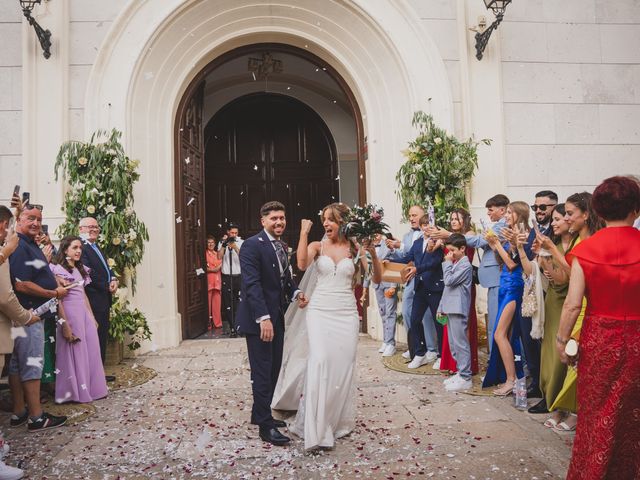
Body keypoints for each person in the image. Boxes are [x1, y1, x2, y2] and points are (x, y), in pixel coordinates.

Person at [556, 176, 640, 480]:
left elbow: (572, 305)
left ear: (599, 211)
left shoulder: (587, 251)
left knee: (596, 413)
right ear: (636, 210)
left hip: (600, 340)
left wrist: (561, 340)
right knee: (634, 416)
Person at [286, 202, 382, 451]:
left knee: (342, 367)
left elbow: (377, 278)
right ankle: (317, 430)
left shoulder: (355, 248)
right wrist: (304, 233)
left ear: (344, 222)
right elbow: (301, 264)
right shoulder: (318, 246)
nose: (326, 224)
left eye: (331, 220)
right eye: (324, 220)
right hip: (319, 311)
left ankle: (332, 419)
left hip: (346, 314)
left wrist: (372, 252)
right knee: (320, 360)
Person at [235, 202, 308, 446]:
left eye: (282, 218)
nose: (279, 222)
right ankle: (266, 427)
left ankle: (260, 414)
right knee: (262, 372)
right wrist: (263, 318)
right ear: (263, 221)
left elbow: (285, 278)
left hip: (277, 318)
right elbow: (252, 284)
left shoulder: (281, 246)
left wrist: (297, 292)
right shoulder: (251, 245)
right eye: (274, 218)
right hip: (260, 320)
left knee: (274, 369)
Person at [8, 205, 67, 431]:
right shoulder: (21, 246)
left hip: (21, 315)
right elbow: (21, 283)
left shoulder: (29, 244)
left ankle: (19, 412)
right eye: (30, 218)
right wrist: (54, 293)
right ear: (19, 220)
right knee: (31, 363)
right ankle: (36, 417)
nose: (35, 223)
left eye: (39, 220)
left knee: (16, 364)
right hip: (30, 315)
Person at [547, 191, 603, 431]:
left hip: (584, 307)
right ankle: (567, 409)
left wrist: (551, 247)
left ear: (587, 214)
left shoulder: (590, 241)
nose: (566, 218)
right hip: (575, 303)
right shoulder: (581, 238)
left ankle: (571, 411)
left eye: (570, 213)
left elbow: (573, 273)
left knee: (575, 362)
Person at [524, 204, 575, 418]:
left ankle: (558, 399)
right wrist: (542, 255)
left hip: (569, 302)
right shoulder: (553, 243)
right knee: (549, 350)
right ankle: (549, 396)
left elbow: (564, 278)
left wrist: (549, 255)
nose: (553, 223)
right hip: (553, 300)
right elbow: (549, 275)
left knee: (562, 352)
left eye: (558, 219)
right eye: (552, 219)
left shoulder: (575, 245)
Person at [50, 236, 108, 403]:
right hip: (69, 313)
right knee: (74, 352)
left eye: (80, 248)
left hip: (83, 313)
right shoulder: (57, 269)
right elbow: (58, 299)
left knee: (91, 350)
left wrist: (91, 317)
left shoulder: (80, 268)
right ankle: (73, 392)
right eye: (74, 247)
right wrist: (65, 324)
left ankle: (93, 389)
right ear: (65, 249)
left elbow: (83, 295)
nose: (78, 251)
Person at [0, 205, 34, 479]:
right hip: (12, 324)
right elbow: (6, 295)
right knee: (22, 367)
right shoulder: (7, 252)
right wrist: (26, 317)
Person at [482, 201, 529, 395]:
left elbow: (511, 264)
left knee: (499, 334)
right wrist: (496, 244)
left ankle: (512, 380)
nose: (507, 215)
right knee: (507, 335)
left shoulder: (522, 235)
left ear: (520, 215)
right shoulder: (509, 234)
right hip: (505, 284)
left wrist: (495, 245)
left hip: (514, 287)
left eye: (510, 212)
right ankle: (512, 378)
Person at [430, 208, 479, 374]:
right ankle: (454, 365)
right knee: (451, 335)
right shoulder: (449, 240)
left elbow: (468, 244)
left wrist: (447, 235)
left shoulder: (469, 235)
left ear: (464, 220)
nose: (453, 221)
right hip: (450, 290)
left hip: (463, 285)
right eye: (451, 218)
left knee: (462, 332)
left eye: (456, 219)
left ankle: (465, 369)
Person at [392, 214, 445, 369]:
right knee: (414, 320)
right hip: (420, 288)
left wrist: (417, 269)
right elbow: (407, 258)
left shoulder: (439, 243)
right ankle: (420, 353)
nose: (427, 226)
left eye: (430, 223)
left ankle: (441, 355)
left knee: (439, 323)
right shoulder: (417, 242)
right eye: (424, 224)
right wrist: (389, 260)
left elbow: (434, 263)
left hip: (435, 288)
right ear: (421, 227)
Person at [385, 206, 437, 361]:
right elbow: (406, 255)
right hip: (410, 278)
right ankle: (414, 346)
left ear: (423, 216)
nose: (412, 218)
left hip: (426, 276)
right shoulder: (407, 235)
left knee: (427, 315)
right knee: (408, 313)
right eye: (410, 215)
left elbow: (416, 251)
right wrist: (393, 254)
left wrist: (399, 245)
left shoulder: (431, 232)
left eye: (415, 215)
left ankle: (432, 348)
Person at [464, 194, 509, 354]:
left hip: (497, 279)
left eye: (491, 210)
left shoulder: (501, 226)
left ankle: (494, 363)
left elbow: (478, 242)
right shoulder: (499, 225)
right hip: (493, 279)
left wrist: (451, 236)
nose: (488, 214)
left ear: (502, 210)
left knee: (495, 325)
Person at [79, 217, 118, 383]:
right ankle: (93, 376)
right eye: (90, 227)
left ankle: (99, 372)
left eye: (96, 226)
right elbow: (87, 272)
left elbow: (105, 267)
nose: (94, 229)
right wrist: (106, 285)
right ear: (80, 229)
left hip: (103, 297)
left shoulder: (94, 246)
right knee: (94, 338)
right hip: (93, 298)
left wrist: (114, 277)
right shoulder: (81, 247)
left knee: (101, 336)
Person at [438, 234, 473, 392]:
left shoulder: (465, 265)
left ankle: (466, 376)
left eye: (452, 250)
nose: (449, 254)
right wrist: (441, 307)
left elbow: (449, 281)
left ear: (462, 249)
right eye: (448, 251)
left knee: (460, 343)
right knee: (453, 344)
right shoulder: (455, 262)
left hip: (458, 308)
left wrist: (446, 264)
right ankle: (460, 372)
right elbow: (448, 288)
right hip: (450, 307)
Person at [362, 233, 397, 357]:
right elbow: (369, 269)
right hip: (377, 284)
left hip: (388, 283)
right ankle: (386, 341)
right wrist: (365, 287)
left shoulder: (387, 245)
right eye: (374, 233)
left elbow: (393, 264)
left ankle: (391, 343)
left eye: (377, 233)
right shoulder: (368, 247)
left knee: (390, 312)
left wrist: (393, 286)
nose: (375, 235)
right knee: (383, 313)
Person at [218, 223, 243, 336]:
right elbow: (219, 256)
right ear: (228, 232)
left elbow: (244, 256)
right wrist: (224, 245)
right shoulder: (222, 242)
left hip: (238, 276)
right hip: (227, 277)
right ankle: (232, 327)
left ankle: (240, 325)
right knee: (228, 303)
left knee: (240, 302)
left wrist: (235, 247)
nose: (234, 235)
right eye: (232, 233)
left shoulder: (241, 242)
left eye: (236, 233)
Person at [205, 235, 222, 330]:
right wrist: (213, 269)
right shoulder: (205, 254)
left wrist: (217, 268)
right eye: (209, 242)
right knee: (208, 304)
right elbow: (203, 267)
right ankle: (208, 324)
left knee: (217, 304)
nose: (211, 244)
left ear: (215, 244)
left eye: (212, 242)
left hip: (217, 280)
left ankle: (217, 323)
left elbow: (221, 263)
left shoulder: (217, 254)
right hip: (209, 280)